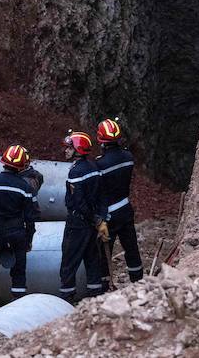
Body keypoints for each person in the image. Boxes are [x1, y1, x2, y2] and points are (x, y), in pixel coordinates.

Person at [0, 144, 40, 302]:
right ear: (22, 166)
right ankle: (18, 306)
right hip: (17, 234)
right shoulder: (25, 187)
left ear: (4, 162)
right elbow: (31, 217)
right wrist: (28, 240)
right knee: (19, 272)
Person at [59, 131, 106, 303]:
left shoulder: (76, 172)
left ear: (77, 149)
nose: (66, 151)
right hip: (92, 225)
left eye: (69, 148)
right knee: (92, 260)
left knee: (68, 262)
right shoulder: (95, 168)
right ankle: (96, 299)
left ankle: (66, 299)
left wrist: (92, 218)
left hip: (77, 223)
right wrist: (100, 219)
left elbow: (78, 202)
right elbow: (101, 196)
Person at [96, 118, 143, 284]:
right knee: (131, 248)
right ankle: (138, 282)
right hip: (126, 209)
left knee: (103, 252)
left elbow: (98, 191)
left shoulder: (99, 164)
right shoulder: (128, 157)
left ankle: (103, 285)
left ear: (101, 140)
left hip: (109, 214)